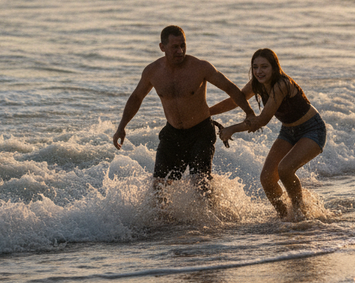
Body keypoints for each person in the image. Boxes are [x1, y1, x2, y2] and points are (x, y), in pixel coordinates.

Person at [112, 26, 255, 202]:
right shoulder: (152, 71)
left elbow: (230, 88)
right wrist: (121, 127)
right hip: (172, 134)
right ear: (162, 47)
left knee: (200, 184)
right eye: (174, 47)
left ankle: (213, 223)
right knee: (159, 187)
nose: (180, 51)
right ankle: (166, 227)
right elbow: (136, 98)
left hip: (201, 132)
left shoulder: (201, 67)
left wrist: (249, 112)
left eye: (183, 45)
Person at [209, 48, 327, 219]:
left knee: (285, 169)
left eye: (264, 67)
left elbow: (262, 120)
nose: (259, 71)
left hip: (312, 129)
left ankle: (299, 213)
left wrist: (232, 128)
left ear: (274, 67)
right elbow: (236, 100)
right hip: (288, 131)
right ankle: (284, 217)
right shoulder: (256, 84)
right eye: (255, 67)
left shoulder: (282, 84)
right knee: (267, 178)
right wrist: (206, 112)